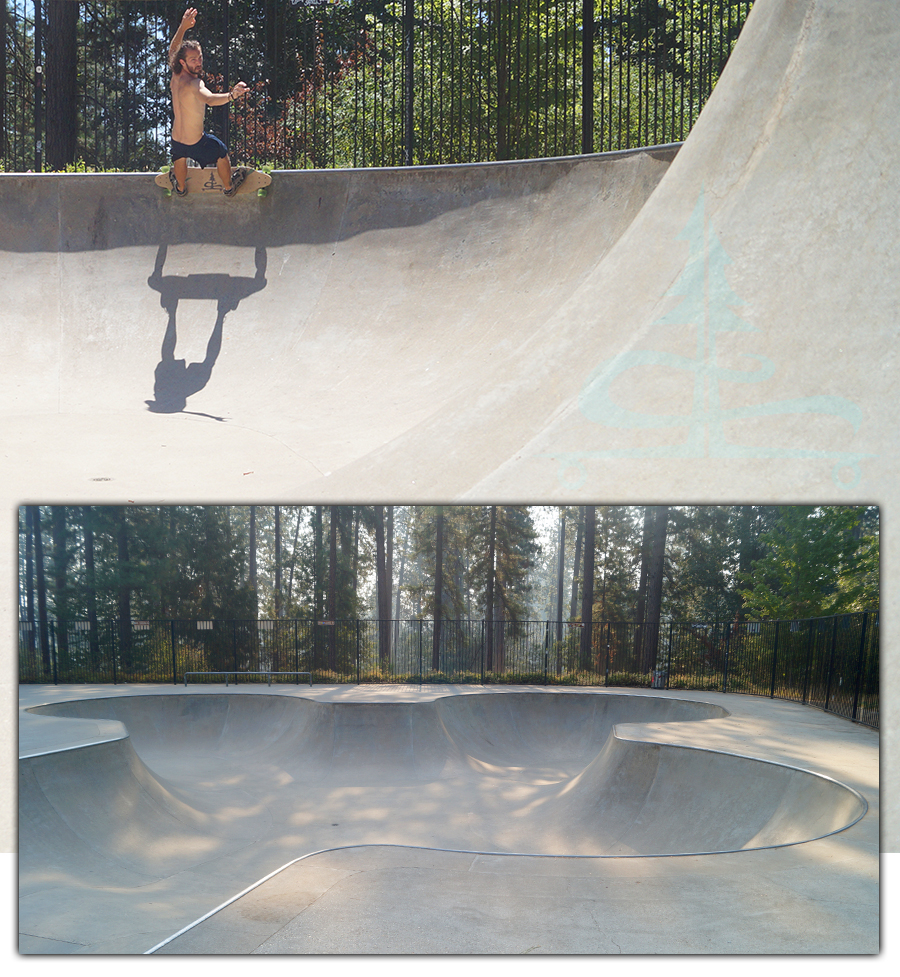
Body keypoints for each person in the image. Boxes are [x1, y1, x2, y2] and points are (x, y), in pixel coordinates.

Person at [168, 8, 249, 196]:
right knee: (221, 151)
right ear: (183, 62)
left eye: (200, 58)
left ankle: (180, 188)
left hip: (177, 139)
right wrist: (232, 95)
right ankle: (229, 187)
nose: (198, 63)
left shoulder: (176, 76)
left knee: (179, 155)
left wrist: (182, 27)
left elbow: (173, 50)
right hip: (197, 142)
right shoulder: (194, 83)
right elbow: (210, 99)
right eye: (193, 60)